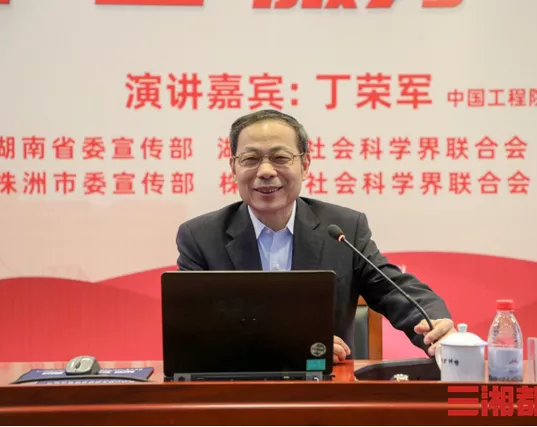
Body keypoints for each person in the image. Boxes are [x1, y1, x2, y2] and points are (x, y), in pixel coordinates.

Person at [175, 109, 455, 363]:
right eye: (251, 159)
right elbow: (193, 330)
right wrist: (289, 346)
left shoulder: (343, 229)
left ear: (305, 164)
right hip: (236, 391)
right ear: (233, 168)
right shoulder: (201, 237)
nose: (266, 171)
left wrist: (435, 325)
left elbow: (393, 289)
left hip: (326, 388)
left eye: (280, 158)